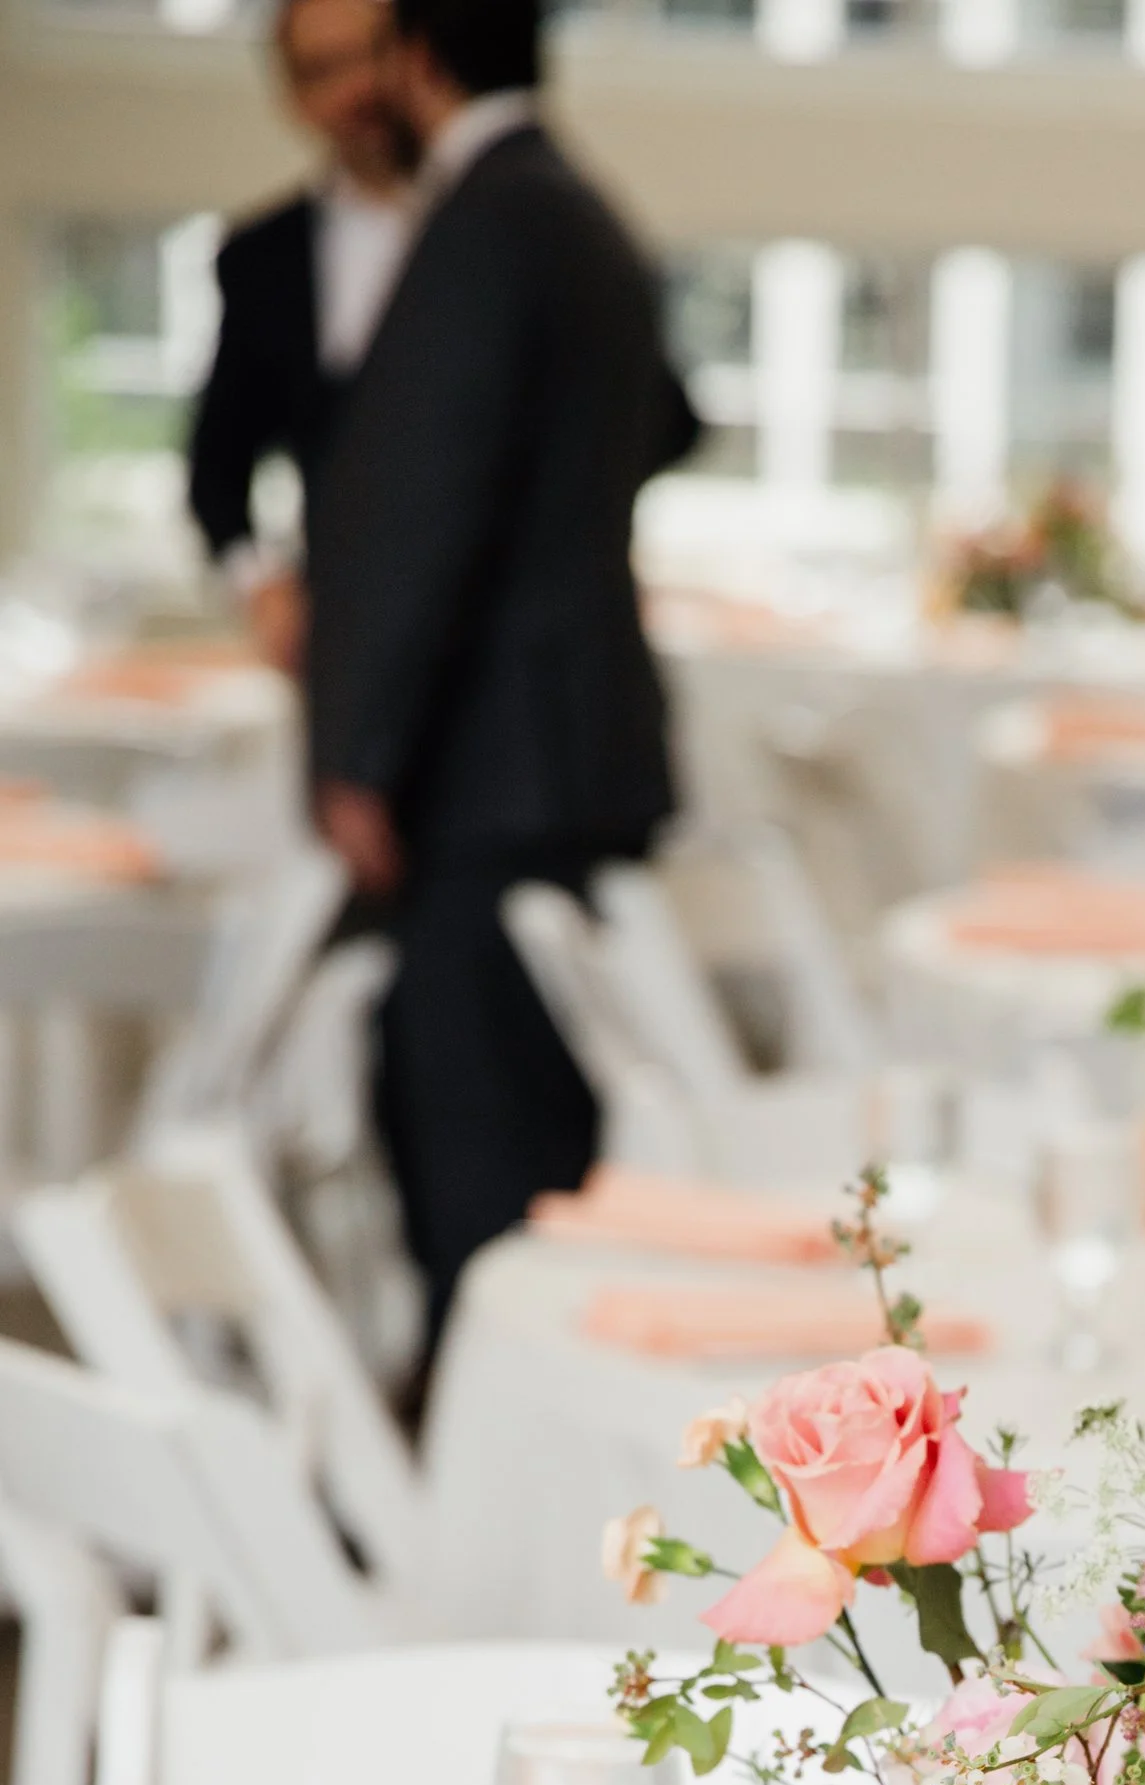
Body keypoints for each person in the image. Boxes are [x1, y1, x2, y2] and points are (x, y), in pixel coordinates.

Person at [304, 0, 698, 1336]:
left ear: (418, 60)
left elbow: (427, 509)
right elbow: (670, 419)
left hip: (487, 762)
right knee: (531, 1129)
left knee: (478, 1154)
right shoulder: (578, 205)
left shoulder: (486, 220)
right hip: (563, 739)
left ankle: (487, 1452)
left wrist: (360, 751)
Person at [186, 0, 417, 675]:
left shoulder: (507, 225)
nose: (360, 88)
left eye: (372, 54)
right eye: (324, 70)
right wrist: (263, 586)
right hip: (348, 642)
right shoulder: (264, 259)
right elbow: (217, 469)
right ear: (293, 97)